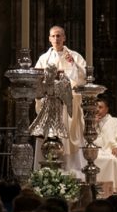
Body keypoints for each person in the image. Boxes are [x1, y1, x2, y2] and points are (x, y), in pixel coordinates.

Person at [34, 25, 86, 175]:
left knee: (67, 137)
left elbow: (83, 78)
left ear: (64, 38)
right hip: (50, 104)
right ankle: (47, 167)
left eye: (59, 36)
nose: (56, 39)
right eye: (53, 36)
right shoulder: (43, 59)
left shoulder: (75, 56)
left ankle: (70, 170)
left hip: (68, 104)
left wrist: (73, 65)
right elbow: (37, 80)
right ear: (49, 39)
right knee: (49, 135)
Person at [93, 98, 117, 193]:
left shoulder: (114, 121)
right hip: (96, 151)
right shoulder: (91, 121)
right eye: (95, 107)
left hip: (111, 150)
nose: (97, 109)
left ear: (107, 109)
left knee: (111, 159)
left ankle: (112, 189)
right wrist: (93, 123)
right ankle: (94, 188)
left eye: (100, 107)